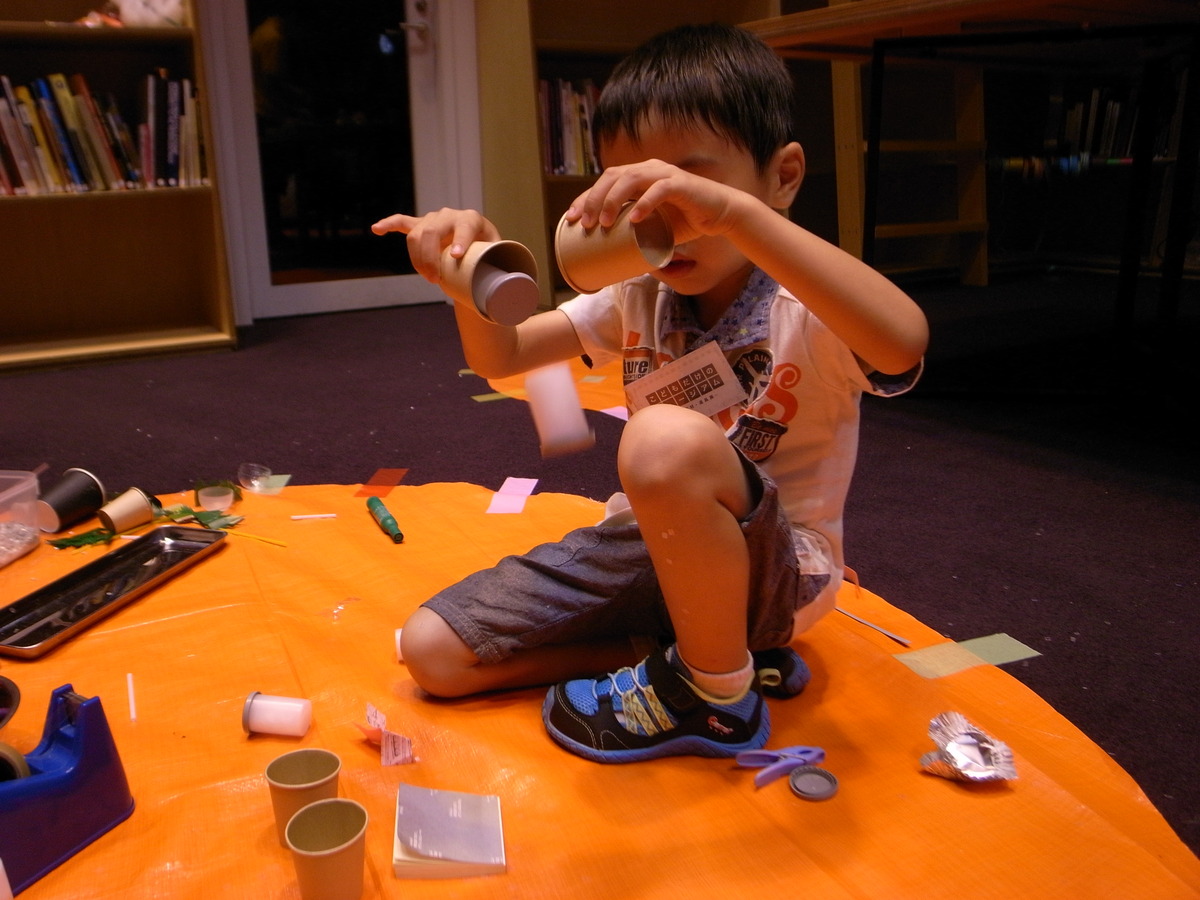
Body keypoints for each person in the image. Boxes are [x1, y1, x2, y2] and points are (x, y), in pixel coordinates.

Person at [371, 23, 928, 764]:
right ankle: (699, 656)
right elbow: (505, 356)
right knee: (434, 652)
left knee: (662, 437)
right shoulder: (638, 294)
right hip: (653, 552)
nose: (661, 218)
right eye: (635, 192)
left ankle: (717, 696)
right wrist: (468, 277)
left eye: (689, 186)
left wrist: (739, 217)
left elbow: (902, 342)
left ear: (783, 176)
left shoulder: (806, 303)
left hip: (778, 575)